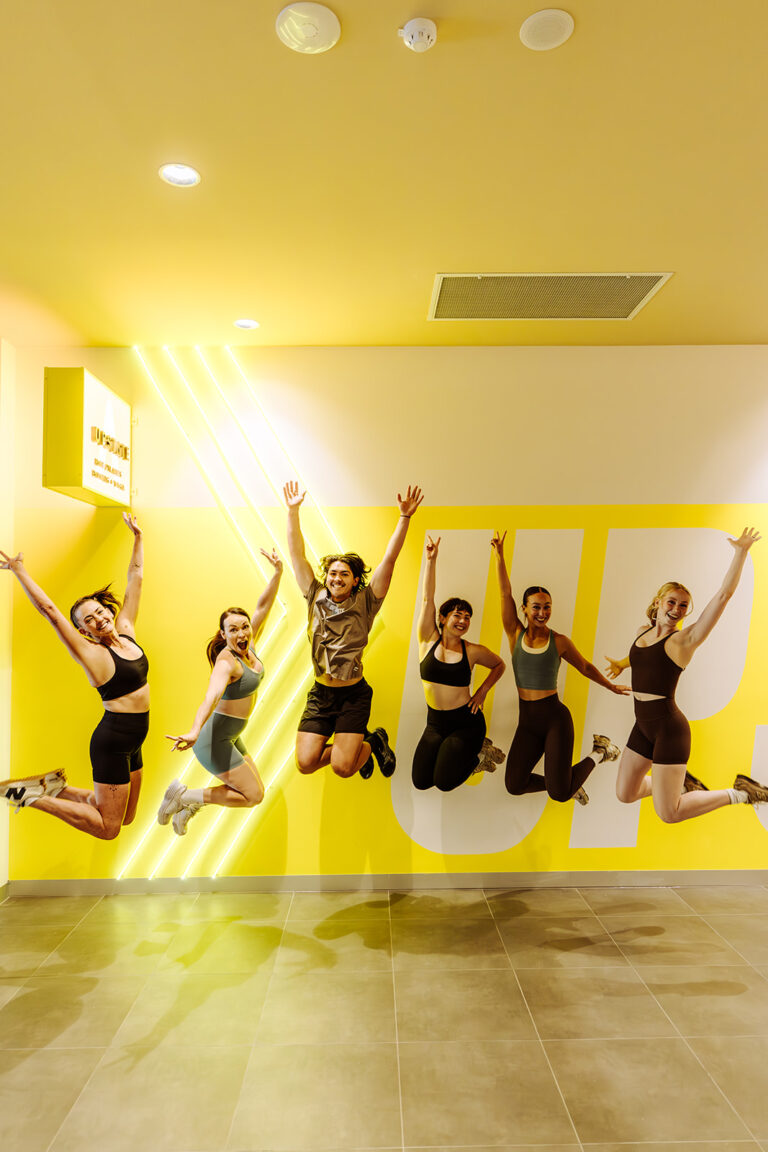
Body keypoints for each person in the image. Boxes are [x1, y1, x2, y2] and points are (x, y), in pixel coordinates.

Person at [0, 513, 148, 838]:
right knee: (109, 828)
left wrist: (138, 537)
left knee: (125, 817)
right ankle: (28, 795)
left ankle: (54, 787)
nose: (99, 619)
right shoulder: (92, 654)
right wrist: (20, 571)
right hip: (112, 742)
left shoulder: (126, 631)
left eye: (100, 611)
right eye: (88, 620)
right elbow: (51, 613)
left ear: (109, 611)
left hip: (136, 741)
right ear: (83, 631)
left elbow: (135, 578)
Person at [607, 527, 768, 821]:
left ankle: (742, 793)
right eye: (672, 602)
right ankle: (680, 785)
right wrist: (622, 663)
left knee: (669, 813)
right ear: (658, 602)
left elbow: (723, 596)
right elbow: (646, 659)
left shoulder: (684, 641)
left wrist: (741, 552)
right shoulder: (642, 632)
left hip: (669, 729)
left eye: (683, 606)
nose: (677, 609)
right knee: (625, 793)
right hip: (642, 725)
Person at [283, 480, 423, 780]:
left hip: (353, 696)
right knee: (305, 763)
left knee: (343, 768)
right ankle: (360, 746)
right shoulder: (314, 595)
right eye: (332, 573)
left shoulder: (366, 602)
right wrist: (293, 511)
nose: (336, 578)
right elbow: (296, 556)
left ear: (355, 580)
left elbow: (390, 559)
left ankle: (373, 742)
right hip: (321, 694)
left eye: (344, 574)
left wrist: (404, 517)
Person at [492, 530, 629, 805]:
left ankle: (600, 752)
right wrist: (499, 557)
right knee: (514, 785)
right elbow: (505, 593)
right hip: (527, 722)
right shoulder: (515, 634)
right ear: (524, 609)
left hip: (555, 719)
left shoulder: (560, 642)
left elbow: (585, 667)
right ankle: (570, 783)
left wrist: (611, 686)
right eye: (536, 607)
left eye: (547, 607)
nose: (542, 613)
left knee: (559, 794)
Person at [159, 549, 282, 835]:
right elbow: (211, 696)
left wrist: (278, 573)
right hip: (212, 740)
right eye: (233, 630)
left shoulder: (249, 646)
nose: (242, 633)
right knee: (254, 795)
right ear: (223, 634)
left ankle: (187, 804)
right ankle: (184, 797)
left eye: (245, 627)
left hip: (230, 736)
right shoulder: (227, 663)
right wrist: (193, 730)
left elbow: (263, 606)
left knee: (254, 790)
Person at [414, 535, 506, 791]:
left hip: (466, 722)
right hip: (435, 723)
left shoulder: (473, 651)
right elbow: (427, 599)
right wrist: (431, 561)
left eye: (467, 617)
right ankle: (477, 753)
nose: (463, 621)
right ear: (443, 618)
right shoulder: (427, 640)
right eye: (457, 615)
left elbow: (499, 665)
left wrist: (482, 691)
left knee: (444, 783)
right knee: (421, 782)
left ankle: (479, 757)